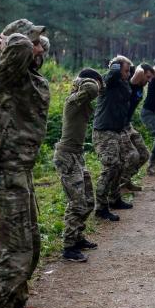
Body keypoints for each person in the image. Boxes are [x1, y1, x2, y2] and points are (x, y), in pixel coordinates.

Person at [0, 19, 51, 308]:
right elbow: (20, 48)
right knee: (15, 249)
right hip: (5, 170)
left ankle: (16, 305)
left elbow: (27, 51)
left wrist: (24, 42)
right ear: (10, 45)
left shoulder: (25, 77)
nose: (39, 48)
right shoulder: (3, 76)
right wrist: (13, 40)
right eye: (35, 42)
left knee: (31, 245)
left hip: (21, 169)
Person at [53, 68, 103, 263]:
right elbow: (91, 88)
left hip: (77, 154)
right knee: (76, 202)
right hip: (66, 155)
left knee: (89, 199)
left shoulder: (80, 100)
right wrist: (89, 80)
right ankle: (69, 247)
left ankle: (78, 236)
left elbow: (91, 91)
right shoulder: (73, 100)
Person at [92, 55, 134, 222]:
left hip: (116, 130)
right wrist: (116, 66)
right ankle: (100, 207)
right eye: (125, 70)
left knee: (119, 165)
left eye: (129, 71)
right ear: (116, 68)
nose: (128, 74)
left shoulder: (122, 84)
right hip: (104, 131)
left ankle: (114, 199)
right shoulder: (107, 81)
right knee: (110, 167)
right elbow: (112, 75)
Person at [119, 63, 154, 191]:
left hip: (128, 125)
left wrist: (149, 73)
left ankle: (126, 180)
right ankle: (119, 185)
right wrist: (139, 67)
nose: (149, 81)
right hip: (119, 126)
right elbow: (139, 71)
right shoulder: (132, 83)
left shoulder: (140, 87)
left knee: (144, 154)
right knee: (132, 156)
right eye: (148, 77)